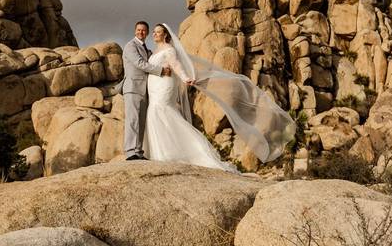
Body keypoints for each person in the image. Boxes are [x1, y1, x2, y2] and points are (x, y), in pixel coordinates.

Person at [141, 23, 295, 171]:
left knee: (161, 111)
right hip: (154, 86)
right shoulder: (154, 51)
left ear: (165, 34)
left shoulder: (170, 50)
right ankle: (161, 152)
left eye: (158, 31)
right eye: (154, 32)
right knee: (155, 112)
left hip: (165, 85)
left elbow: (176, 65)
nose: (154, 34)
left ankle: (175, 152)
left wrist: (185, 77)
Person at [121, 21, 171, 160]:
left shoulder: (147, 49)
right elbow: (139, 63)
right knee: (132, 120)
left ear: (147, 33)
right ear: (135, 31)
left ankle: (138, 151)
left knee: (141, 121)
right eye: (138, 30)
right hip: (132, 88)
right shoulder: (130, 46)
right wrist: (161, 70)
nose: (140, 32)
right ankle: (130, 151)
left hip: (145, 90)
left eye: (143, 30)